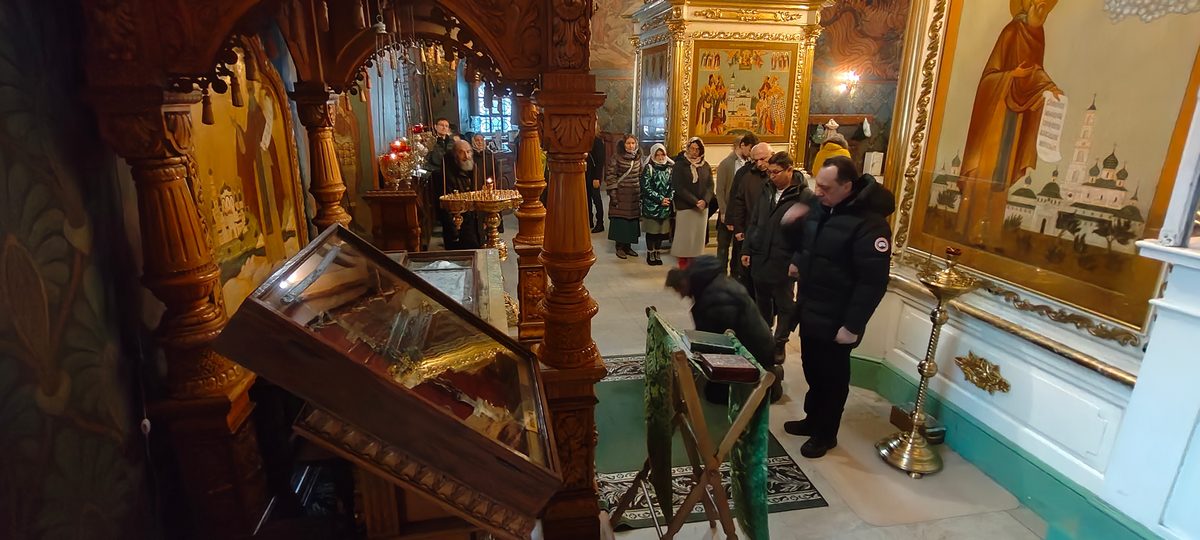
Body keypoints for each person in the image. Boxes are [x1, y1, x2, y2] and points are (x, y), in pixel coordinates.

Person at [781, 155, 895, 458]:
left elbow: (873, 282)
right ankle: (812, 419)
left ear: (847, 186)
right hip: (812, 304)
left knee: (832, 377)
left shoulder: (871, 224)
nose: (818, 191)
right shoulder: (821, 205)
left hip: (839, 315)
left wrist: (852, 325)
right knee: (811, 367)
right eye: (817, 185)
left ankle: (825, 433)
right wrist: (795, 246)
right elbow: (809, 244)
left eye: (826, 187)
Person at [955, 0, 1060, 247]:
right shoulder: (1012, 31)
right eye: (1038, 4)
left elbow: (1035, 72)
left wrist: (1050, 88)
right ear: (1028, 4)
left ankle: (990, 234)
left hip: (1015, 118)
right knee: (985, 174)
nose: (1042, 10)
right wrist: (1011, 75)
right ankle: (971, 230)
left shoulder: (1037, 35)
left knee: (1001, 176)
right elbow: (988, 78)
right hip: (995, 115)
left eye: (1045, 6)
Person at [666, 256, 783, 403]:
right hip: (757, 344)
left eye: (678, 290)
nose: (681, 296)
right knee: (708, 383)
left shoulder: (715, 298)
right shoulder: (711, 284)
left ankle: (770, 383)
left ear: (684, 283)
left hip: (755, 352)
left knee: (714, 394)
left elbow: (717, 341)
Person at [741, 151, 813, 365]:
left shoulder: (804, 196)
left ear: (789, 170)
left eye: (775, 172)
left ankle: (780, 341)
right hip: (761, 254)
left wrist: (797, 260)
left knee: (784, 305)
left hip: (784, 258)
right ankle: (765, 339)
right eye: (769, 172)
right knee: (762, 300)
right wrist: (746, 249)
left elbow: (808, 234)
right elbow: (755, 221)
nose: (771, 176)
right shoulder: (766, 189)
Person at [727, 142, 772, 293]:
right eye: (755, 160)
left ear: (772, 156)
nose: (759, 163)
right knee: (747, 274)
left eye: (763, 159)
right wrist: (738, 228)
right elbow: (738, 202)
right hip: (750, 231)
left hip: (772, 235)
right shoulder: (747, 177)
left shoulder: (778, 176)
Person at [715, 134, 758, 276]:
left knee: (738, 247)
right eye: (750, 148)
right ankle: (720, 275)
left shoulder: (750, 165)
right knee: (723, 246)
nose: (751, 152)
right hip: (727, 211)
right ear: (742, 146)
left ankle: (735, 275)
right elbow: (720, 190)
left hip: (740, 214)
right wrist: (723, 211)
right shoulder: (727, 163)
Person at [670, 137, 713, 268]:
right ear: (687, 148)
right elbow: (678, 186)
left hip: (701, 208)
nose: (694, 152)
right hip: (686, 207)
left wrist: (705, 200)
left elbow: (710, 185)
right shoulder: (680, 165)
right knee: (685, 238)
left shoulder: (705, 165)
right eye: (692, 148)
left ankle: (695, 263)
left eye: (697, 149)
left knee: (697, 238)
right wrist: (695, 201)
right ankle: (683, 263)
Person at [439, 139, 485, 249]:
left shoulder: (475, 169)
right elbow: (445, 207)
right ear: (455, 155)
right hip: (460, 225)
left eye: (468, 152)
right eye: (461, 152)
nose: (466, 156)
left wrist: (483, 219)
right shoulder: (447, 174)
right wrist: (454, 231)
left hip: (476, 222)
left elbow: (481, 196)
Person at [605, 134, 644, 259]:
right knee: (621, 222)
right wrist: (613, 194)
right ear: (623, 144)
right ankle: (620, 247)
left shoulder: (638, 158)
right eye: (628, 143)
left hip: (634, 196)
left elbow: (641, 175)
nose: (631, 146)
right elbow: (611, 176)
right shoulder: (617, 157)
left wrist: (642, 193)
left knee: (631, 222)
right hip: (621, 195)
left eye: (633, 143)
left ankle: (628, 246)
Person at [640, 143, 674, 266]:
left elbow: (673, 186)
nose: (660, 157)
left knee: (661, 232)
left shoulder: (669, 169)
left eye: (662, 155)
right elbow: (646, 187)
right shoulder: (649, 168)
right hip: (652, 205)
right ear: (653, 155)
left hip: (665, 206)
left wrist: (668, 198)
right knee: (652, 232)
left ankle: (657, 252)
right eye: (657, 155)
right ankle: (650, 253)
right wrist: (660, 199)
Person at [587, 129, 607, 233]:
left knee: (596, 199)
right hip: (585, 175)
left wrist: (597, 178)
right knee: (586, 199)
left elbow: (600, 162)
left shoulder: (598, 142)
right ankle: (589, 221)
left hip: (594, 175)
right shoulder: (584, 141)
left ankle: (600, 223)